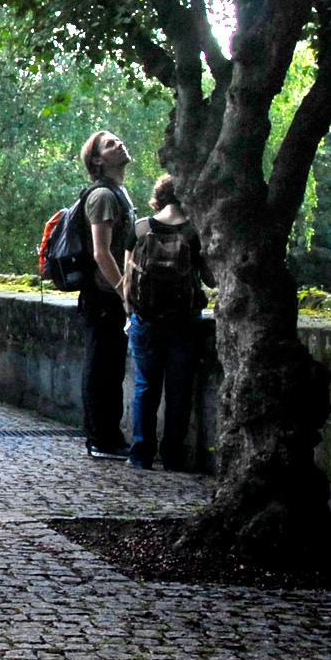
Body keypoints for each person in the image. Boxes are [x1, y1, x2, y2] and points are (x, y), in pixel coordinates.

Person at [122, 175, 212, 470]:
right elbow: (210, 278)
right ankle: (173, 456)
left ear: (158, 197)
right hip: (184, 322)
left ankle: (141, 454)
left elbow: (127, 282)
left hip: (146, 319)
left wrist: (131, 314)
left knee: (146, 386)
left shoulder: (139, 228)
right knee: (179, 390)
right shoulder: (194, 231)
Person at [76, 129, 136, 458]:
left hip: (110, 295)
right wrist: (124, 292)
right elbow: (102, 253)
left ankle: (108, 437)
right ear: (98, 160)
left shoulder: (119, 192)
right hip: (103, 297)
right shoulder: (103, 196)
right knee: (102, 368)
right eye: (110, 144)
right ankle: (101, 439)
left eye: (118, 139)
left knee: (110, 368)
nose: (120, 144)